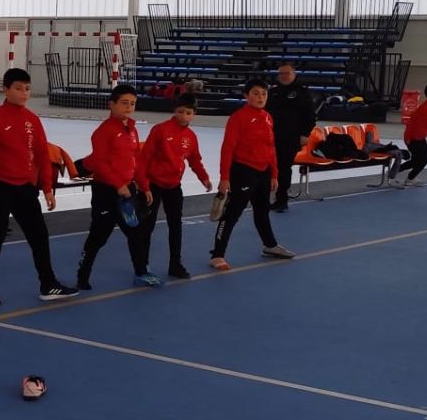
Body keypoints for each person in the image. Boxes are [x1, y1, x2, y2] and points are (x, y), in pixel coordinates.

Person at [0, 68, 75, 306]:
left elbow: (41, 156)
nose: (24, 93)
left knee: (39, 236)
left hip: (25, 188)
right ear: (6, 90)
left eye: (27, 89)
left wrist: (47, 188)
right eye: (18, 88)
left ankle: (48, 284)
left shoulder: (32, 120)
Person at [75, 85, 154, 290]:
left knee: (135, 232)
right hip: (105, 191)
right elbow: (100, 163)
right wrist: (118, 185)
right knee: (99, 235)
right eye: (124, 103)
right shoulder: (103, 132)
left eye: (132, 103)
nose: (129, 107)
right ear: (112, 104)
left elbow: (136, 161)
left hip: (128, 191)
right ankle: (82, 275)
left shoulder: (133, 130)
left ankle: (141, 273)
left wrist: (145, 186)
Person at [209, 80, 296, 268]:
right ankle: (217, 254)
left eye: (264, 94)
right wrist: (224, 178)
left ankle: (270, 246)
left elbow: (271, 147)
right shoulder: (238, 118)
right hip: (243, 171)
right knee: (232, 214)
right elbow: (227, 149)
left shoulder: (267, 117)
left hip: (263, 172)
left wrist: (274, 174)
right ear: (246, 96)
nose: (261, 97)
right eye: (256, 93)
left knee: (262, 211)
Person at [137, 92, 213, 278]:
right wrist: (144, 186)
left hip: (173, 186)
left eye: (188, 112)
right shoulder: (160, 130)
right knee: (147, 227)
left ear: (193, 114)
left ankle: (175, 264)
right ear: (175, 111)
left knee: (175, 226)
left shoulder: (191, 136)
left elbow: (194, 160)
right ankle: (142, 264)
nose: (184, 116)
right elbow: (143, 160)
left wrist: (204, 178)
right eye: (181, 111)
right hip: (153, 186)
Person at [268, 62, 318, 212]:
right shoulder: (273, 91)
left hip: (290, 137)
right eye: (281, 73)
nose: (283, 76)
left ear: (294, 74)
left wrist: (305, 134)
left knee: (283, 169)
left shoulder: (302, 92)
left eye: (286, 73)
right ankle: (264, 198)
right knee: (267, 168)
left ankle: (281, 200)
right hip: (270, 137)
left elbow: (310, 116)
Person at [394, 83, 427, 188]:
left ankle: (401, 173)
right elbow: (413, 123)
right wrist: (408, 137)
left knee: (418, 160)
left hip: (418, 138)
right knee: (424, 159)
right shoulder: (425, 108)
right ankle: (408, 177)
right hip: (414, 139)